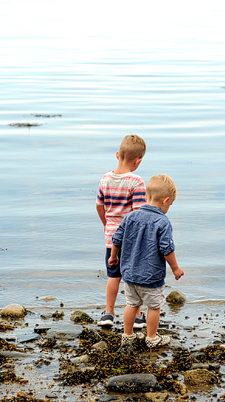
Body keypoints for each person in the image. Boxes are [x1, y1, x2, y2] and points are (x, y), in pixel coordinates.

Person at [108, 174, 183, 348]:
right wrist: (175, 268)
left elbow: (116, 239)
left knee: (131, 305)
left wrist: (113, 257)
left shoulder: (131, 216)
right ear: (165, 200)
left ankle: (127, 336)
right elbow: (167, 249)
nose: (168, 208)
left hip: (129, 273)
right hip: (152, 277)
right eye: (170, 205)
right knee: (154, 307)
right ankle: (151, 337)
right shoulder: (162, 221)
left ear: (147, 196)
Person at [96, 135, 147, 329]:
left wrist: (106, 225)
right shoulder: (136, 181)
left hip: (111, 238)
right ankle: (137, 315)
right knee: (134, 277)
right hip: (131, 239)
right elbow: (137, 214)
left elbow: (100, 207)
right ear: (138, 161)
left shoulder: (105, 179)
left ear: (118, 155)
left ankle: (109, 312)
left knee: (113, 275)